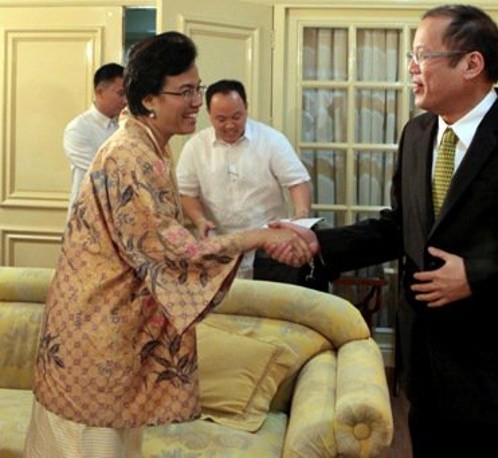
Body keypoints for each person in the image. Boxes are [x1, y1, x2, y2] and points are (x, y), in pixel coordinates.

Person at [268, 5, 498, 458]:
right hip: (428, 367)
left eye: (421, 55)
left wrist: (479, 276)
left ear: (472, 63)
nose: (410, 69)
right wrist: (320, 243)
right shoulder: (417, 134)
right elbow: (400, 227)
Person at [24, 31, 311, 457]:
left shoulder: (150, 146)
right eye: (186, 91)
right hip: (98, 332)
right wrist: (260, 237)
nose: (198, 101)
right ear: (149, 99)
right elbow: (170, 249)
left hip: (113, 326)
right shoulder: (129, 154)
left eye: (199, 88)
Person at [176, 79, 315, 284]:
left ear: (246, 108)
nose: (230, 125)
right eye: (221, 119)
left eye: (236, 117)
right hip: (221, 247)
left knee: (271, 307)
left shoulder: (271, 140)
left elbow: (298, 181)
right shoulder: (195, 147)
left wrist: (301, 215)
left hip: (270, 248)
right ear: (209, 115)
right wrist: (199, 220)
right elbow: (186, 192)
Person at [64, 63, 127, 212]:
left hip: (119, 213)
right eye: (120, 93)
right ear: (100, 92)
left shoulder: (125, 125)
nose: (125, 101)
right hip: (88, 214)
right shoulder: (78, 129)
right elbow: (99, 173)